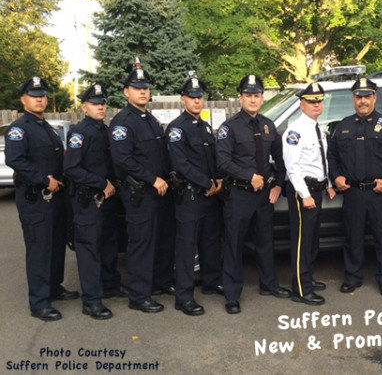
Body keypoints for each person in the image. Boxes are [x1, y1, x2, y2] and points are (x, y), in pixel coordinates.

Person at [4, 77, 79, 321]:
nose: (40, 99)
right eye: (34, 96)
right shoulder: (19, 128)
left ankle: (54, 287)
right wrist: (44, 179)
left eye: (42, 95)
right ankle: (39, 302)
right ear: (23, 99)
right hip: (36, 199)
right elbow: (15, 160)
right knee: (40, 249)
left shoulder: (46, 127)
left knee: (56, 245)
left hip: (55, 199)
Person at [216, 74, 290, 314]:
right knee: (234, 245)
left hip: (264, 196)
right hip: (239, 195)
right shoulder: (229, 128)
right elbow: (222, 162)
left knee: (265, 241)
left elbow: (280, 158)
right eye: (248, 95)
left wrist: (278, 184)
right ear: (240, 98)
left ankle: (269, 284)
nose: (253, 99)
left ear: (261, 98)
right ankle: (232, 295)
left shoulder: (268, 125)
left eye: (257, 95)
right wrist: (249, 176)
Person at [328, 77, 382, 297]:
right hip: (353, 192)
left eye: (366, 96)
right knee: (353, 236)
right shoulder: (342, 126)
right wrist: (335, 177)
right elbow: (332, 156)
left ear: (374, 97)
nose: (362, 101)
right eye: (358, 97)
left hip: (380, 191)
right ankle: (352, 277)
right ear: (353, 99)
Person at [109, 64, 175, 313]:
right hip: (140, 193)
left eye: (145, 88)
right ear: (126, 92)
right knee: (142, 244)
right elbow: (123, 160)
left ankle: (160, 283)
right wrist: (152, 179)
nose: (143, 92)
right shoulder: (122, 122)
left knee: (162, 241)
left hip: (160, 191)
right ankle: (139, 296)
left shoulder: (149, 119)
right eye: (137, 88)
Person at [64, 84, 124, 320]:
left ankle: (110, 286)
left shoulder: (104, 130)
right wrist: (101, 183)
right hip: (88, 201)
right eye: (95, 103)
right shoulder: (79, 133)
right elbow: (71, 169)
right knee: (89, 250)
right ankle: (91, 300)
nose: (100, 107)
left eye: (102, 103)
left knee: (108, 245)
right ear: (84, 106)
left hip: (108, 200)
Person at [166, 75, 223, 316]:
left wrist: (217, 179)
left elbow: (212, 159)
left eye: (200, 97)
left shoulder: (204, 126)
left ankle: (210, 283)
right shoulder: (177, 128)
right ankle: (184, 296)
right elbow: (180, 163)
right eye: (192, 97)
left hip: (210, 194)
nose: (197, 101)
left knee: (210, 241)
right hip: (190, 195)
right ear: (183, 100)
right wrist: (206, 183)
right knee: (187, 247)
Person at [282, 82, 336, 306]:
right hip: (303, 191)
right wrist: (304, 194)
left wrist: (329, 183)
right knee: (302, 242)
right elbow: (291, 166)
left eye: (319, 101)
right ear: (301, 104)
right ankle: (301, 289)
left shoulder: (318, 128)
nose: (316, 105)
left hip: (317, 189)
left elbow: (321, 162)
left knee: (313, 240)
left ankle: (308, 278)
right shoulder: (295, 131)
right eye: (311, 101)